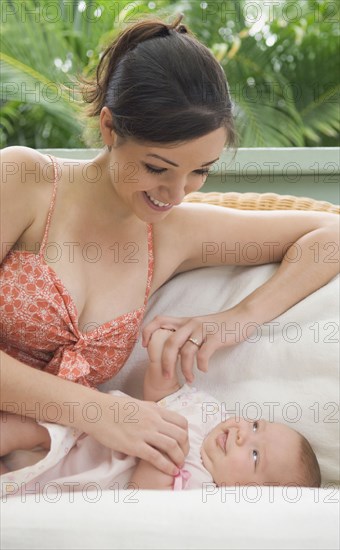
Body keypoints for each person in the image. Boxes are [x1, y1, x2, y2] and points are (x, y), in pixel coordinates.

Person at [0, 13, 338, 480]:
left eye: (200, 171)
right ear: (109, 128)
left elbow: (329, 238)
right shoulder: (25, 181)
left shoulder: (173, 232)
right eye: (158, 167)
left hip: (41, 472)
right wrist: (99, 413)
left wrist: (236, 320)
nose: (176, 193)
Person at [0, 329, 321, 495]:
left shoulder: (200, 490)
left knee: (16, 486)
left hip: (77, 481)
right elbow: (165, 397)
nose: (242, 434)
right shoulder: (210, 413)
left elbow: (145, 500)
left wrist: (165, 463)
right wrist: (162, 364)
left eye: (254, 455)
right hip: (81, 425)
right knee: (23, 427)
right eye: (254, 425)